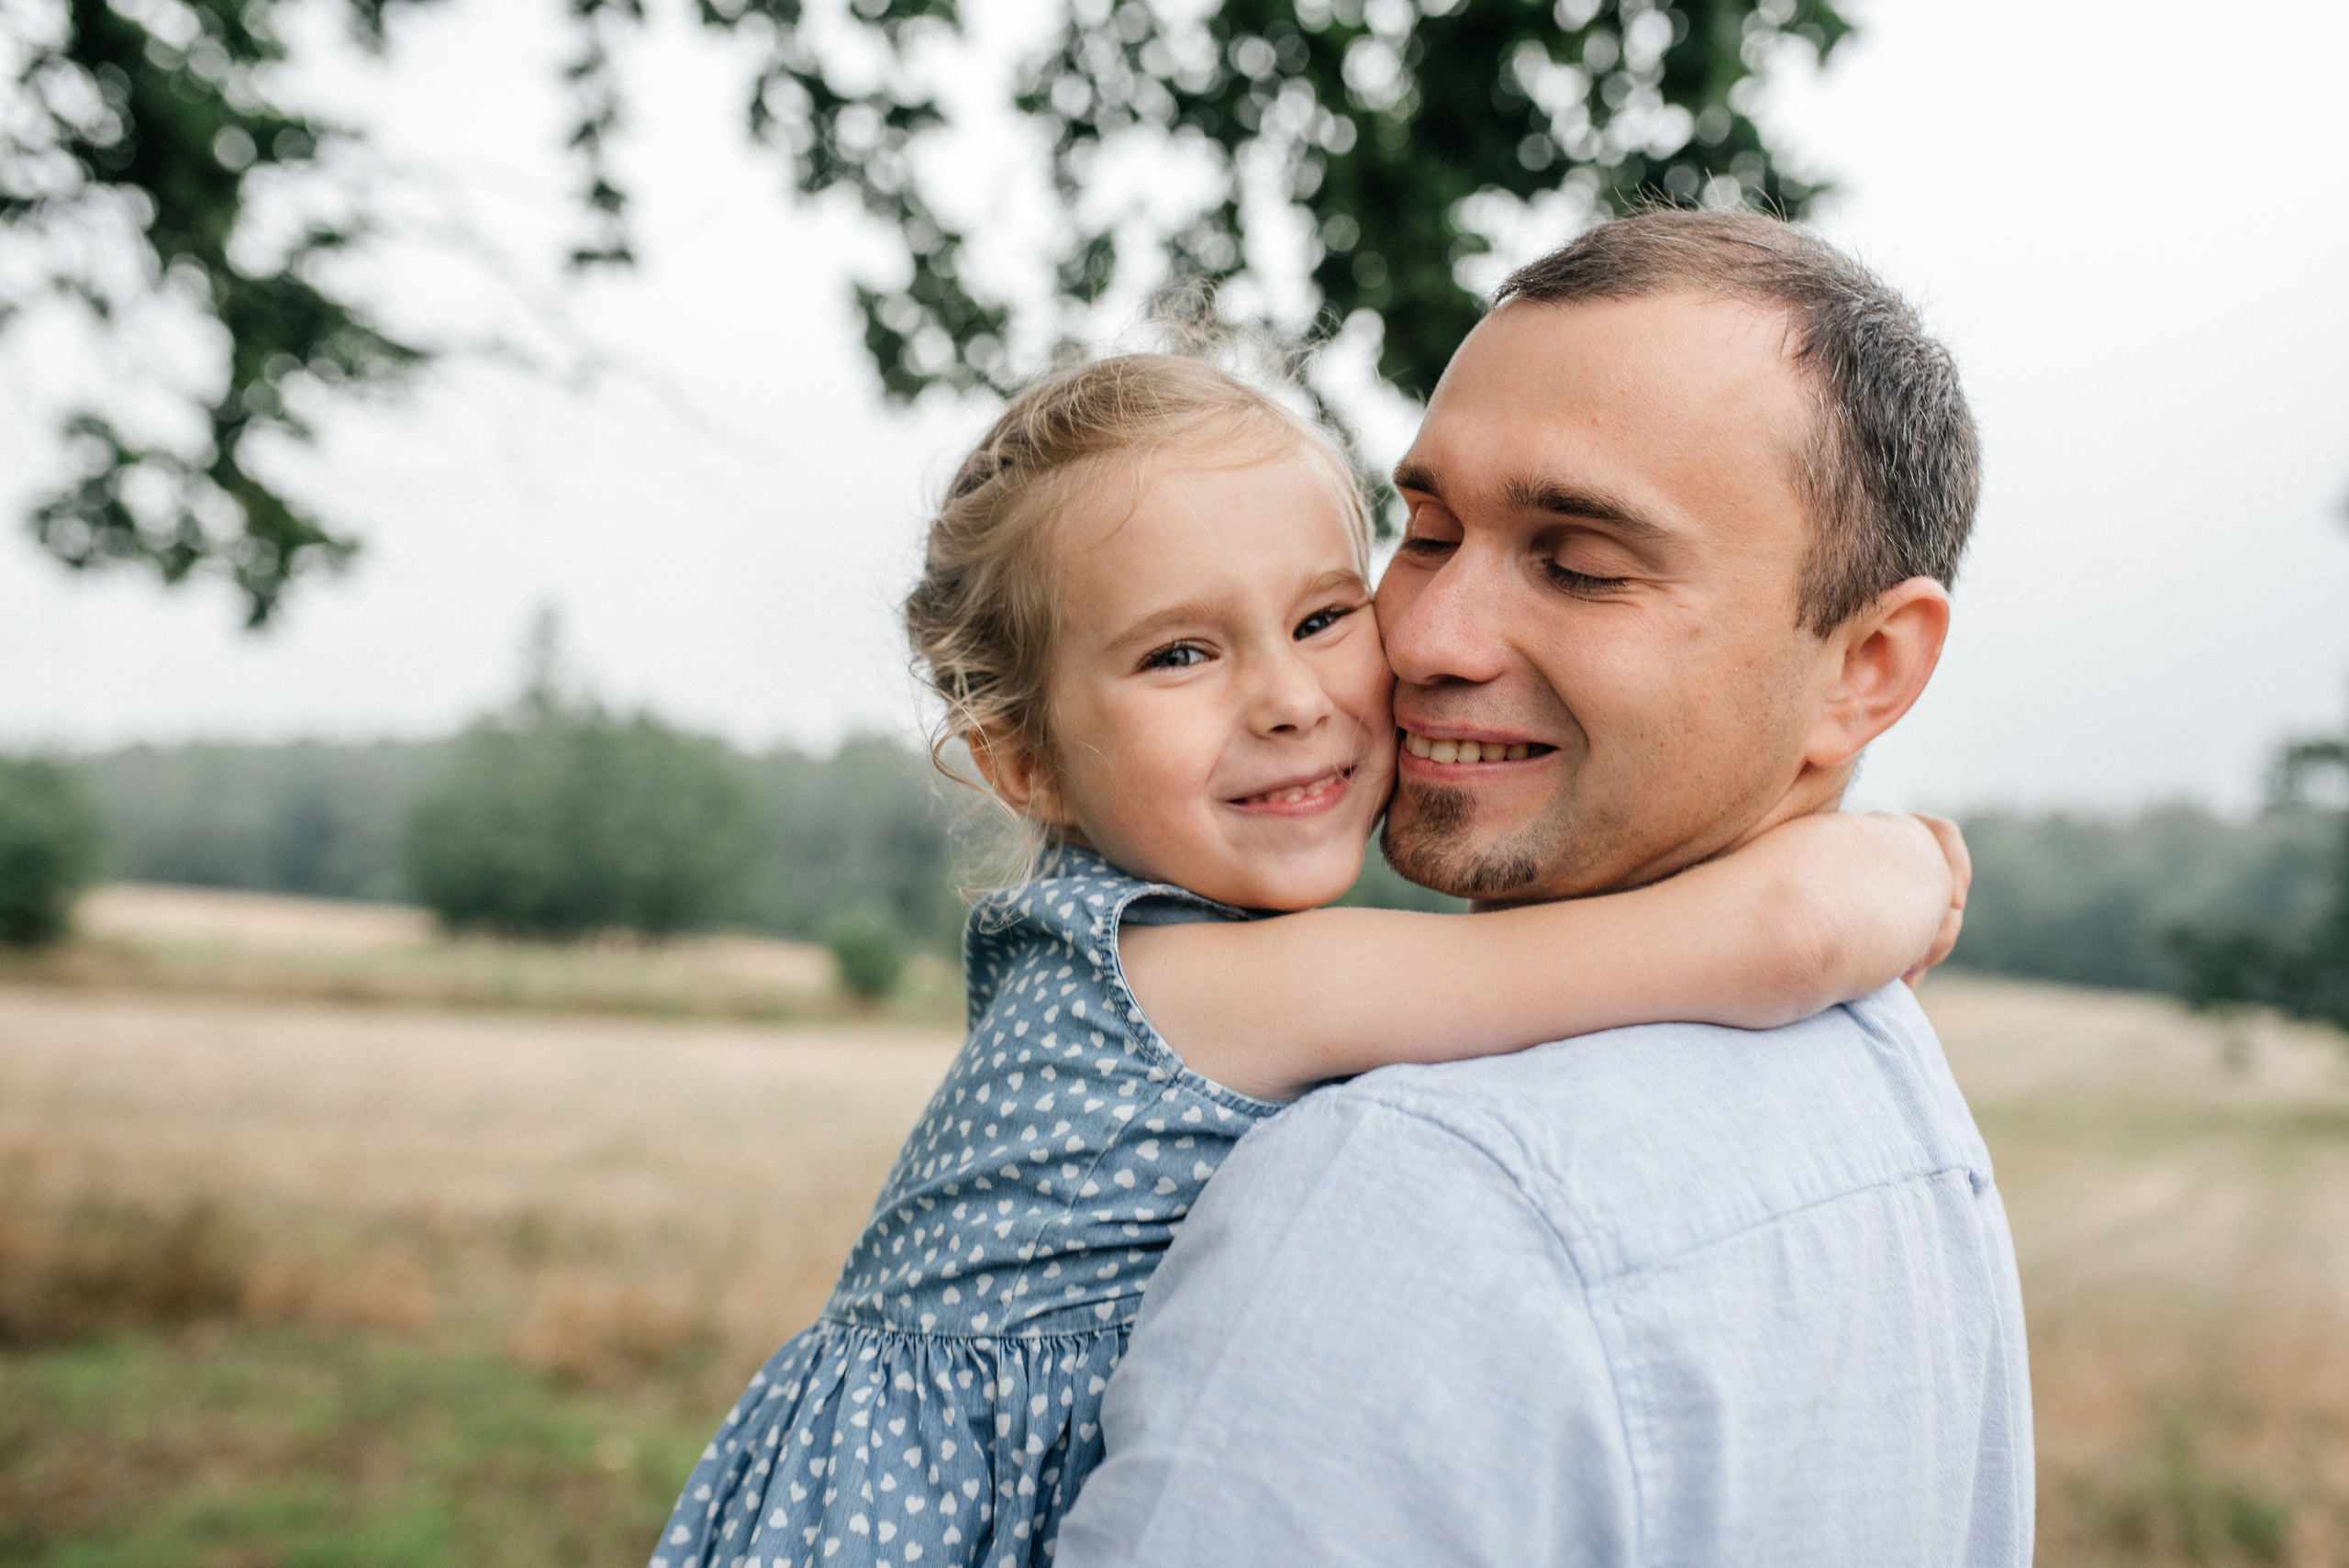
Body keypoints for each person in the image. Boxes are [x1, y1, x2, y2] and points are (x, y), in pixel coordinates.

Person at [648, 349, 1971, 1568]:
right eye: (1180, 652)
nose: (1289, 698)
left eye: (1327, 616)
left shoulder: (1151, 948)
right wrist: (1897, 861)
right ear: (1025, 759)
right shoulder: (1198, 985)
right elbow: (1770, 940)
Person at [1054, 211, 2034, 1564]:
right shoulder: (1896, 1095)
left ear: (1868, 666)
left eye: (1579, 564)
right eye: (1428, 528)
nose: (1425, 635)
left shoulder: (1415, 1195)